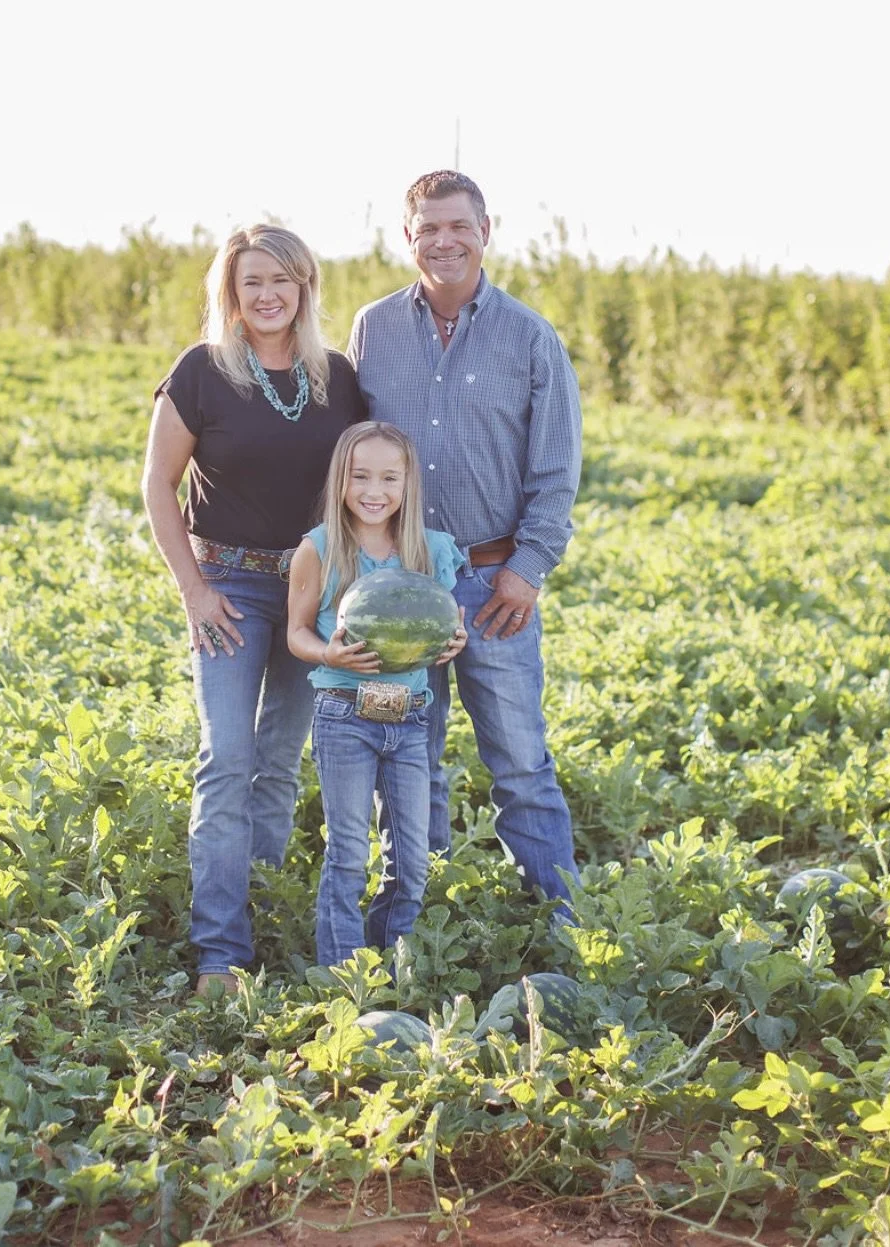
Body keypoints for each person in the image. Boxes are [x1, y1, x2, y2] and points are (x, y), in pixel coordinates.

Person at [347, 170, 583, 917]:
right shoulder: (372, 328)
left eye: (459, 226)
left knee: (519, 758)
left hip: (492, 587)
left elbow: (556, 468)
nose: (444, 241)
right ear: (407, 237)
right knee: (401, 750)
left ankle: (564, 919)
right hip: (395, 581)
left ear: (488, 230)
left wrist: (527, 569)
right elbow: (353, 454)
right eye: (429, 229)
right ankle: (414, 915)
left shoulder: (530, 336)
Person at [142, 224, 366, 996]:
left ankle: (262, 908)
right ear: (230, 297)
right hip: (229, 589)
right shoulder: (202, 372)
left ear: (303, 287)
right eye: (251, 283)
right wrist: (193, 590)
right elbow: (156, 487)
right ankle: (219, 953)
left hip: (312, 589)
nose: (268, 295)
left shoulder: (338, 376)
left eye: (282, 280)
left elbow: (367, 481)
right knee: (227, 757)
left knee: (279, 760)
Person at [287, 423, 467, 966]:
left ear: (409, 484)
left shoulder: (431, 553)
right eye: (361, 475)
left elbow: (442, 628)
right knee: (346, 855)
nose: (375, 490)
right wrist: (329, 655)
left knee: (412, 859)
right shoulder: (318, 549)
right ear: (340, 480)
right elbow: (296, 634)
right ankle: (344, 974)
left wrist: (451, 641)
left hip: (409, 717)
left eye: (390, 477)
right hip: (344, 715)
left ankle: (392, 962)